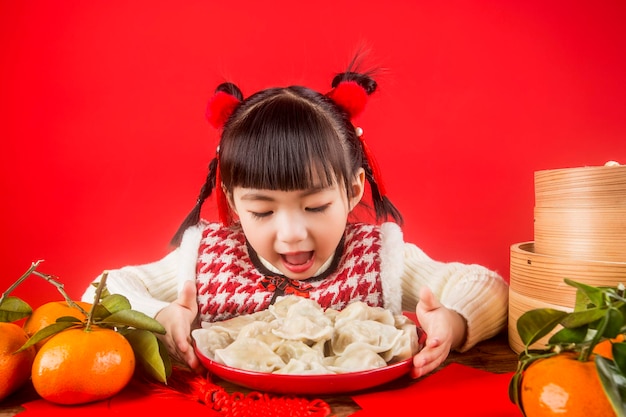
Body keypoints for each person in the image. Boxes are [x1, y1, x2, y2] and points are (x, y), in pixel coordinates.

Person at [82, 61, 509, 379]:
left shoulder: (379, 259)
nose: (291, 233)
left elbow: (487, 287)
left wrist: (451, 322)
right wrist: (162, 316)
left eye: (316, 207)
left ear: (353, 190)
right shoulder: (207, 261)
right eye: (263, 211)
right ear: (232, 200)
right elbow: (101, 291)